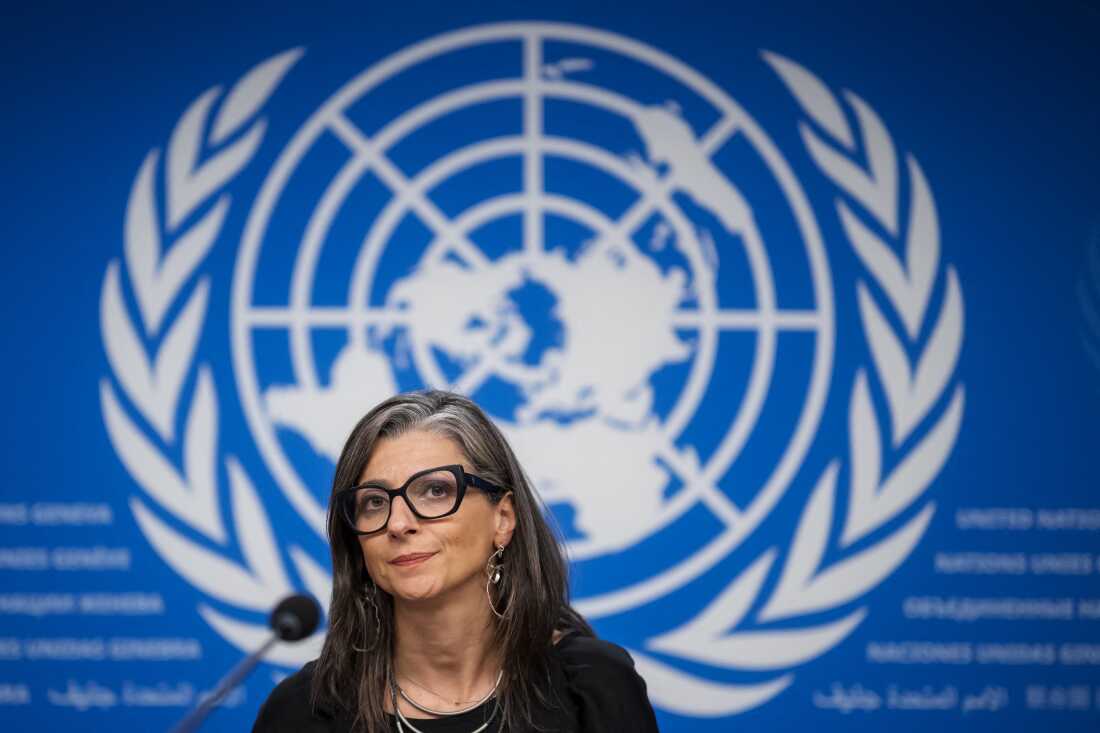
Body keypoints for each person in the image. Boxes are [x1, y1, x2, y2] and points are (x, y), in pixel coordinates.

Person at [253, 390, 660, 732]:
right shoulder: (302, 712)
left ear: (502, 519)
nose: (398, 523)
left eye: (434, 491)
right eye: (375, 502)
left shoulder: (593, 690)